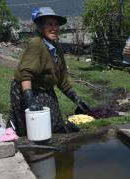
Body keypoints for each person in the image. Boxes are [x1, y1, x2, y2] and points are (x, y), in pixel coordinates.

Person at [7, 7, 91, 136]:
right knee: (33, 129)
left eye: (56, 24)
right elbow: (25, 74)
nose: (54, 28)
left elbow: (62, 81)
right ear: (41, 27)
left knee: (57, 126)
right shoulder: (37, 43)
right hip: (26, 89)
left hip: (45, 90)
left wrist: (77, 99)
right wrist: (30, 100)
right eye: (49, 24)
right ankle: (13, 127)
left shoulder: (56, 48)